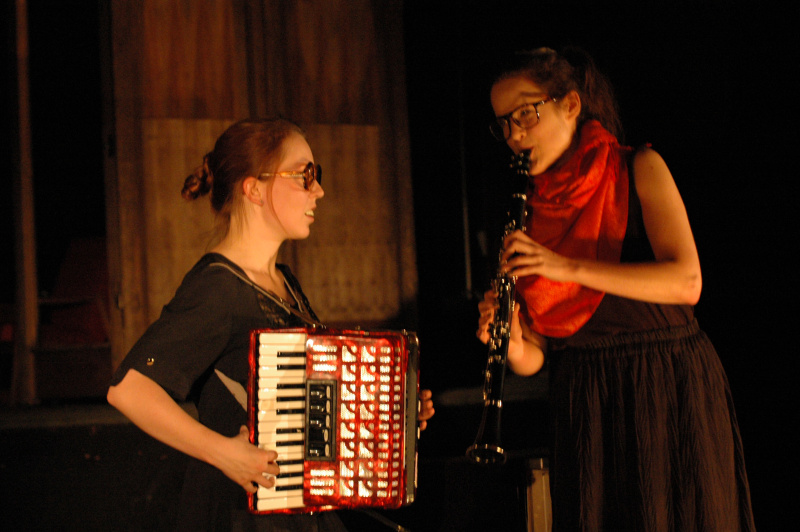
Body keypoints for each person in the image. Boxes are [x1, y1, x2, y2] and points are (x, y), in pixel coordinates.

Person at [107, 118, 434, 532]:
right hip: (239, 515)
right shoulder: (218, 286)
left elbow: (301, 405)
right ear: (254, 189)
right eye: (304, 176)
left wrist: (387, 411)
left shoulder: (284, 282)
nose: (318, 190)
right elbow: (129, 389)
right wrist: (224, 453)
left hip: (292, 511)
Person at [476, 47, 755, 531]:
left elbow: (687, 281)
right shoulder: (524, 213)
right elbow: (538, 353)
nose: (514, 134)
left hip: (666, 382)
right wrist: (514, 340)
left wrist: (566, 266)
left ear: (570, 104)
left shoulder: (639, 166)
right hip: (585, 399)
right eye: (503, 124)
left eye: (525, 114)